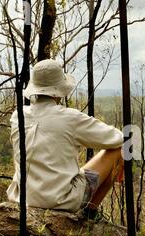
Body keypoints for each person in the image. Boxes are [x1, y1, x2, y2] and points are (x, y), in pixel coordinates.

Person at [7, 59, 124, 218]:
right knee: (121, 150)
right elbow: (117, 138)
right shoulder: (70, 118)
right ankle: (91, 212)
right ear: (59, 91)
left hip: (23, 198)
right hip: (62, 200)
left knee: (80, 172)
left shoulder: (17, 116)